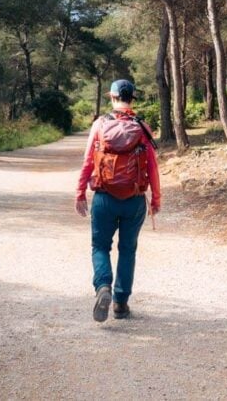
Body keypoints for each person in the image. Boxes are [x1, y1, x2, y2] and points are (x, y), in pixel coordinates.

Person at [75, 79, 161, 322]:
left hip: (104, 197)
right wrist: (156, 197)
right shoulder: (142, 127)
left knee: (100, 246)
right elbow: (153, 166)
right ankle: (120, 304)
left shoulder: (100, 125)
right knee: (128, 249)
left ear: (112, 98)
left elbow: (87, 162)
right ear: (132, 99)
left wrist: (80, 193)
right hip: (134, 199)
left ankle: (103, 286)